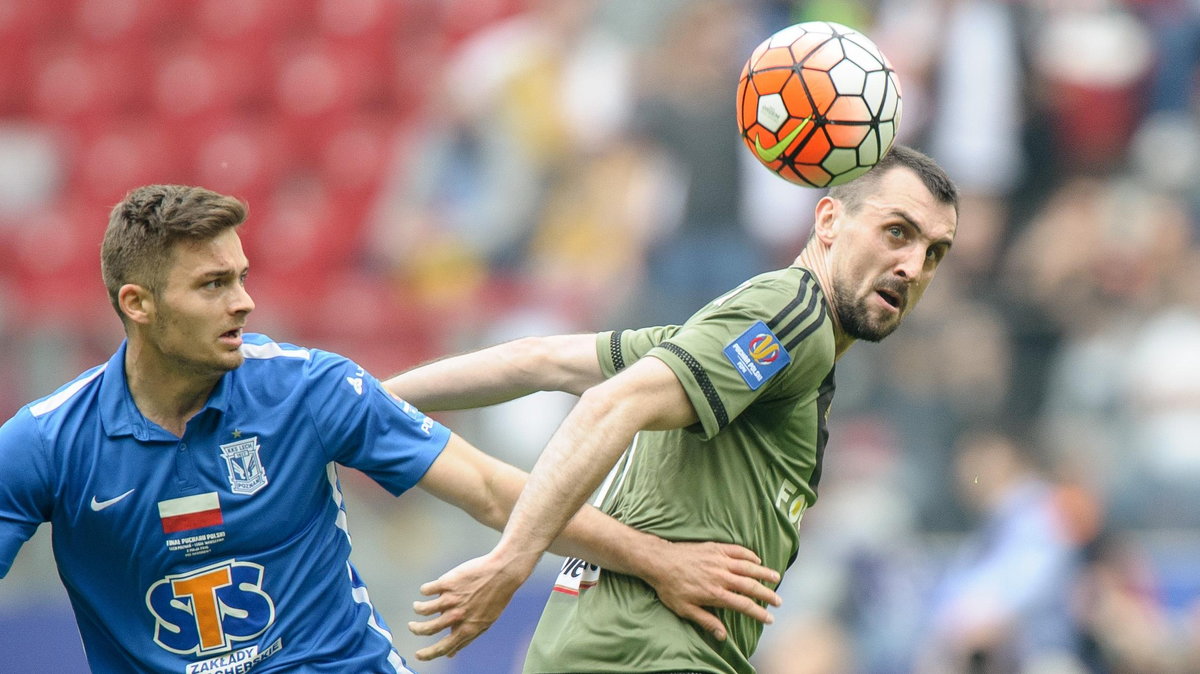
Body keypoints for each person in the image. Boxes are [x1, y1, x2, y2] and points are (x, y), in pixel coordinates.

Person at [0, 185, 784, 673]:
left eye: (242, 276)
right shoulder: (44, 444)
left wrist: (658, 560)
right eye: (213, 285)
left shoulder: (308, 386)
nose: (243, 301)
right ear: (137, 304)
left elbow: (486, 488)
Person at [385, 144, 960, 672]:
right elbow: (609, 404)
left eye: (934, 252)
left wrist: (367, 397)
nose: (914, 267)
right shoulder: (793, 317)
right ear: (830, 220)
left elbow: (540, 360)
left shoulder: (745, 338)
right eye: (897, 232)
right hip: (649, 658)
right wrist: (509, 564)